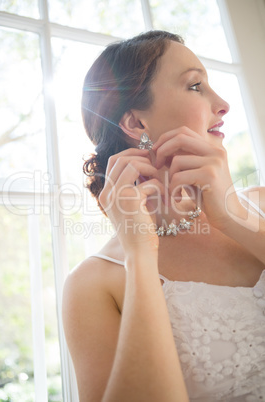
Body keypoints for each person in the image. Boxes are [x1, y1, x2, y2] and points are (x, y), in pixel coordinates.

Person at [62, 30, 265, 401]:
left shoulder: (261, 205)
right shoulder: (93, 285)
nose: (222, 104)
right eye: (195, 86)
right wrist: (140, 256)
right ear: (137, 124)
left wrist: (233, 215)